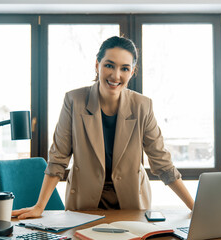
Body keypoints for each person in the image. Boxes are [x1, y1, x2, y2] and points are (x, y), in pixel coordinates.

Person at [12, 36, 194, 219]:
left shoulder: (142, 106)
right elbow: (58, 159)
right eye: (109, 65)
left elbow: (163, 164)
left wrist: (195, 207)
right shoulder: (73, 101)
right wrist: (39, 206)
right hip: (83, 206)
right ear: (97, 65)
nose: (116, 75)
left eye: (124, 68)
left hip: (132, 206)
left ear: (132, 72)